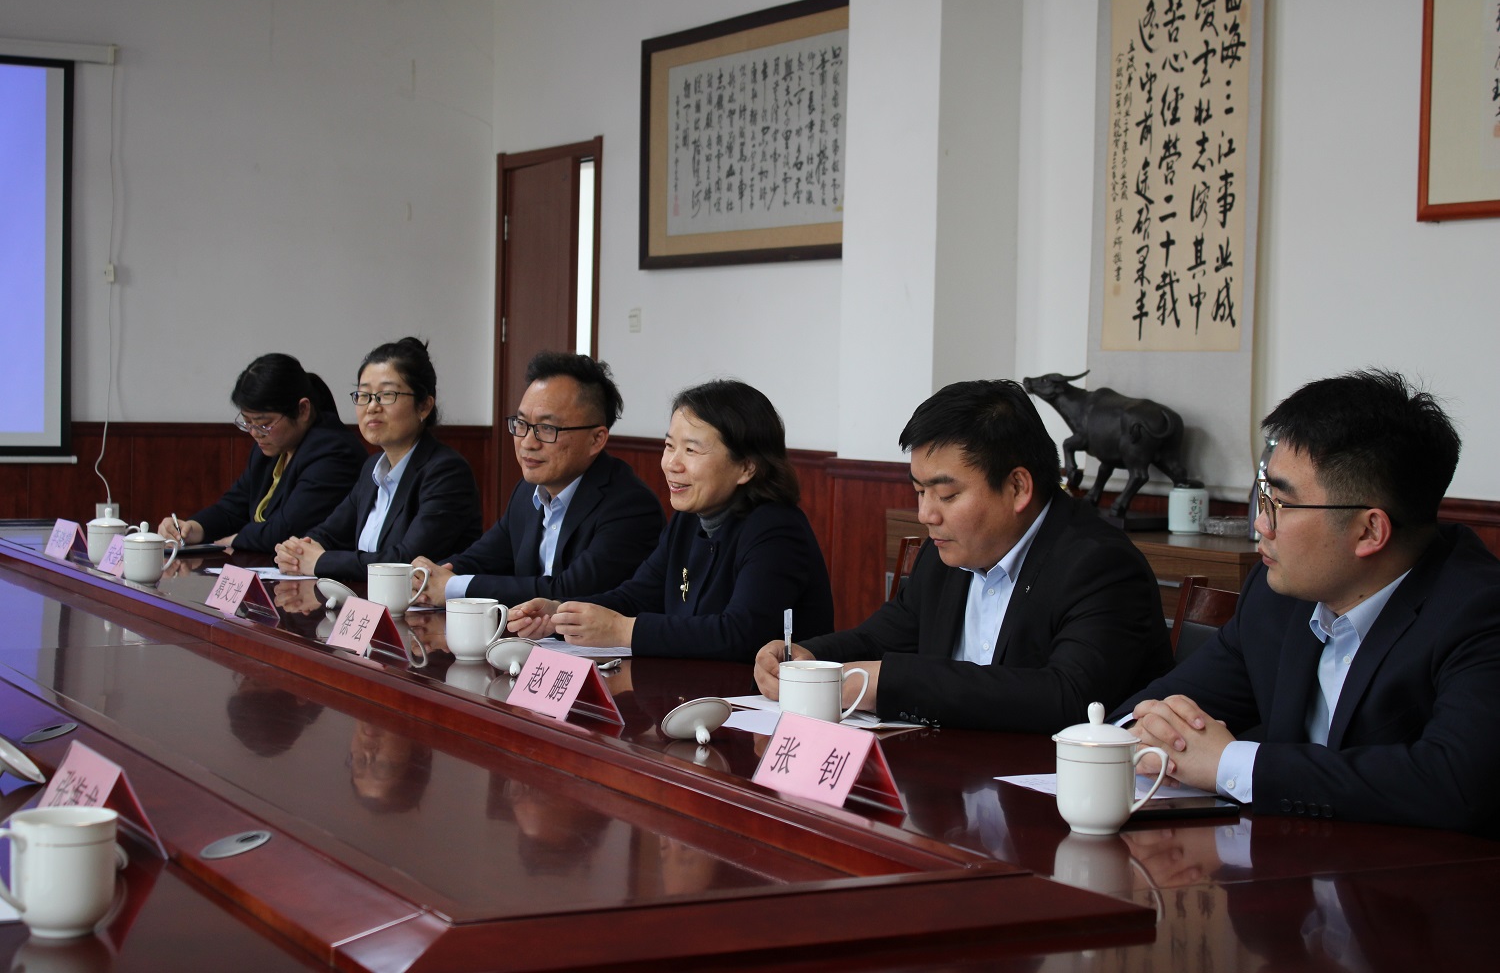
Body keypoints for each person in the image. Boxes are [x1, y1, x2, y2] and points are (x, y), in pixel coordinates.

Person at [1117, 369, 1500, 835]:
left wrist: (1230, 764)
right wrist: (1137, 734)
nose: (1260, 524)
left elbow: (1458, 784)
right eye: (1263, 497)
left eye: (1280, 503)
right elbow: (1152, 708)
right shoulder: (1276, 596)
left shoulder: (1480, 611)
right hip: (1284, 861)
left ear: (1369, 531)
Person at [753, 379, 1171, 732]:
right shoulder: (947, 553)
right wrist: (809, 659)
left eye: (946, 495)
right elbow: (879, 640)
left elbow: (1066, 697)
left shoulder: (1100, 566)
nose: (926, 514)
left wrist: (888, 683)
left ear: (1018, 488)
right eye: (919, 492)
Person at [508, 379, 834, 661]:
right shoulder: (688, 520)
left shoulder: (776, 529)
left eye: (691, 451)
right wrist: (560, 612)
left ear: (747, 467)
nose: (671, 464)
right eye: (669, 446)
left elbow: (740, 634)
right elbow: (636, 597)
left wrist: (623, 630)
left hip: (757, 702)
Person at [411, 351, 663, 607]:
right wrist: (430, 576)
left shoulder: (631, 507)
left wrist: (454, 587)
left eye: (546, 428)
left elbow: (569, 591)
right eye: (521, 424)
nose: (528, 443)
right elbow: (481, 559)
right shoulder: (527, 492)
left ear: (596, 439)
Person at [274, 338, 481, 579]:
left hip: (422, 602)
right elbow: (329, 533)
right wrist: (297, 551)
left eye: (386, 394)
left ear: (424, 406)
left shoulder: (446, 472)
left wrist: (320, 562)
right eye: (364, 395)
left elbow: (406, 560)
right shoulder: (373, 467)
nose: (372, 407)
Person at [161, 353, 365, 551]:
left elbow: (287, 530)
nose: (254, 433)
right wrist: (192, 528)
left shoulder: (334, 453)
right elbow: (231, 508)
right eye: (247, 422)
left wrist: (236, 540)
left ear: (303, 410)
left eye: (264, 423)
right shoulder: (270, 448)